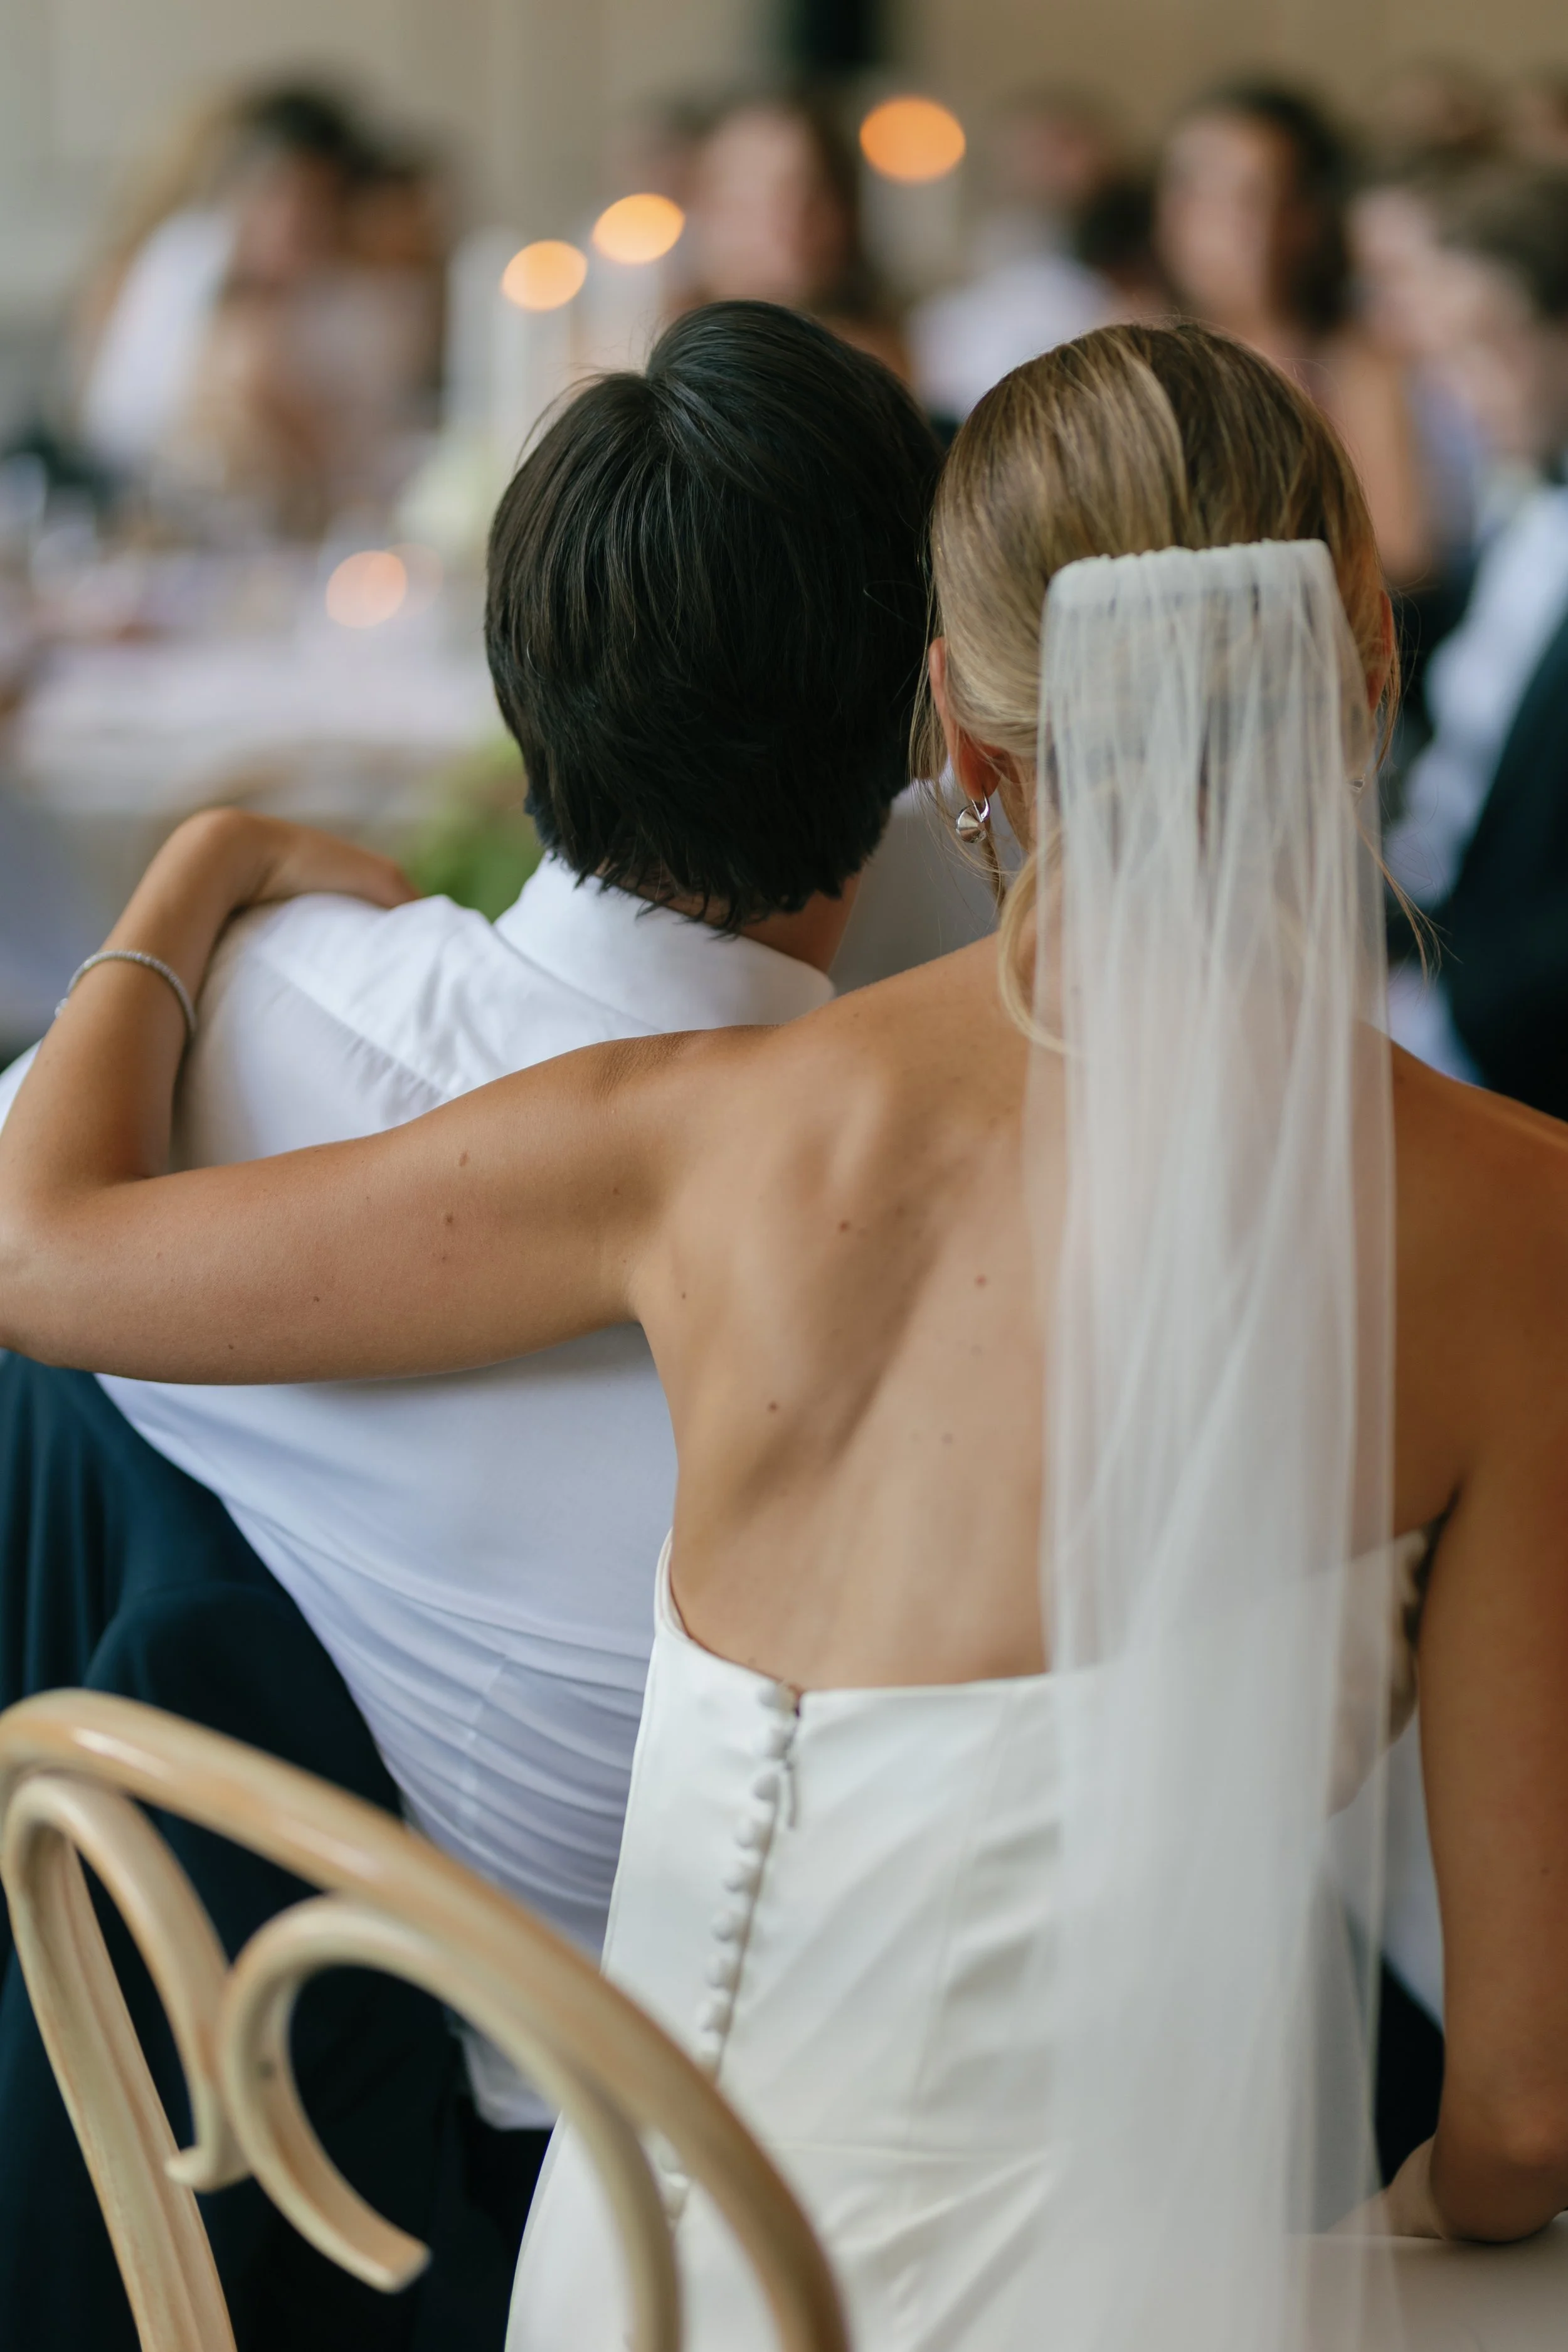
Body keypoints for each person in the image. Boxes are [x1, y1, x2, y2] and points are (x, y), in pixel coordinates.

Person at [5, 324, 1568, 2348]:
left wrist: (202, 858)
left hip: (629, 2273)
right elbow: (1523, 2107)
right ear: (1368, 680)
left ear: (965, 733)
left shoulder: (705, 1136)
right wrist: (1411, 2229)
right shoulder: (1526, 1221)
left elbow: (40, 1261)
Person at [0, 301, 953, 2350]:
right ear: (915, 729)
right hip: (775, 2235)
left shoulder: (248, 1030)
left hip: (328, 2152)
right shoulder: (965, 1243)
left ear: (519, 685)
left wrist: (198, 881)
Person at [1384, 165, 1568, 1111]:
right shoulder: (1524, 508)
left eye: (1487, 346)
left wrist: (1459, 1016)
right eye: (1442, 356)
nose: (1459, 394)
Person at [1157, 82, 1436, 585]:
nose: (1215, 221)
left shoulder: (1359, 366)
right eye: (1193, 188)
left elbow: (1399, 563)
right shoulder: (1126, 351)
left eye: (1254, 194)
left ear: (1310, 217)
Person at [681, 93, 907, 377]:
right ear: (705, 207)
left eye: (814, 195)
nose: (791, 221)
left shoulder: (893, 361)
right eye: (759, 199)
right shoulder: (657, 366)